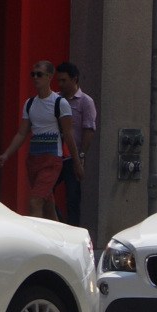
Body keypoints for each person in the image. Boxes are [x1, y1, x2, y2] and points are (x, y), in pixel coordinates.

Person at [0, 61, 82, 219]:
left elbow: (68, 135)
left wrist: (76, 162)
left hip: (51, 160)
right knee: (48, 203)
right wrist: (6, 155)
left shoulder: (60, 103)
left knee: (35, 201)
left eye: (39, 74)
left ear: (49, 77)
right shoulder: (29, 104)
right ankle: (60, 239)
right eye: (33, 74)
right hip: (33, 160)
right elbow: (22, 133)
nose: (35, 78)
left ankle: (35, 240)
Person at [54, 61, 97, 226]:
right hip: (57, 154)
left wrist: (81, 156)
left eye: (64, 80)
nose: (61, 84)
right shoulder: (56, 99)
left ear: (74, 79)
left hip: (73, 157)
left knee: (72, 198)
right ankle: (60, 223)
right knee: (45, 191)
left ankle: (73, 229)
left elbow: (89, 130)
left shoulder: (85, 101)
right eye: (59, 81)